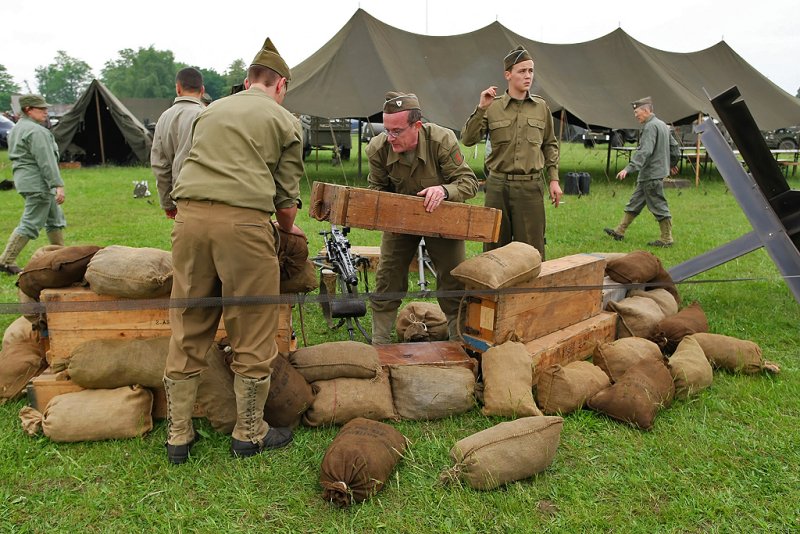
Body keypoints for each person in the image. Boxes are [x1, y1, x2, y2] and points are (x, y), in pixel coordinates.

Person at [163, 37, 304, 464]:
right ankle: (249, 433)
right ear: (280, 86)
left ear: (247, 82)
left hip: (189, 221)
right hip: (244, 225)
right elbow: (285, 200)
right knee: (253, 326)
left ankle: (178, 436)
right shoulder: (285, 121)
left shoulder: (208, 112)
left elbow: (184, 165)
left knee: (188, 323)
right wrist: (286, 235)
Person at [366, 92, 478, 344]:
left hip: (442, 217)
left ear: (417, 126)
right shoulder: (378, 149)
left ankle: (458, 342)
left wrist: (444, 190)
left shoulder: (441, 140)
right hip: (399, 220)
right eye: (387, 130)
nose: (390, 137)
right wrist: (391, 207)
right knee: (387, 278)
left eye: (397, 131)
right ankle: (380, 342)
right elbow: (376, 189)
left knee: (452, 278)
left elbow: (468, 183)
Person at [462, 45, 561, 259]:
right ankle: (494, 292)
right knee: (494, 247)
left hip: (530, 187)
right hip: (497, 187)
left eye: (531, 71)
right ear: (508, 74)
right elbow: (468, 139)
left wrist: (553, 179)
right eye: (522, 71)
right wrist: (481, 109)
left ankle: (529, 293)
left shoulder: (541, 107)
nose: (528, 76)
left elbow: (550, 144)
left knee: (532, 250)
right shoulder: (492, 106)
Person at [0, 94, 66, 275]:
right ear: (28, 109)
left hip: (27, 181)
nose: (46, 112)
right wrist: (57, 185)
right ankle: (5, 261)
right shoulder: (36, 132)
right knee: (30, 223)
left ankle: (62, 259)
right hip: (38, 184)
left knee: (54, 219)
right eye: (41, 109)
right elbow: (46, 161)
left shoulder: (17, 128)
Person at [604, 96, 678, 247]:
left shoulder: (651, 127)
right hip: (651, 174)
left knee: (658, 205)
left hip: (651, 174)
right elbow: (675, 147)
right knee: (635, 203)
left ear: (646, 110)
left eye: (637, 112)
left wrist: (629, 168)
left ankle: (666, 239)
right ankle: (619, 231)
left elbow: (645, 150)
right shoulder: (663, 125)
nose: (635, 115)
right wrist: (671, 163)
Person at [151, 67, 206, 219]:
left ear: (178, 88)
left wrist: (167, 204)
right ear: (202, 89)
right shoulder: (208, 115)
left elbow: (160, 165)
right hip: (208, 198)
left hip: (181, 197)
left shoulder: (164, 118)